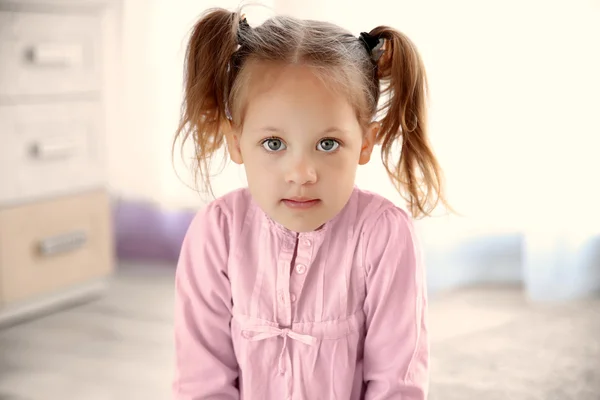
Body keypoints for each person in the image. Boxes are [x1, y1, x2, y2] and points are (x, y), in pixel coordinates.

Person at [172, 6, 450, 400]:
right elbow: (201, 382)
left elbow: (397, 384)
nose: (301, 173)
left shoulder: (385, 234)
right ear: (236, 142)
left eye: (327, 144)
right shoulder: (216, 232)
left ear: (365, 143)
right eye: (273, 144)